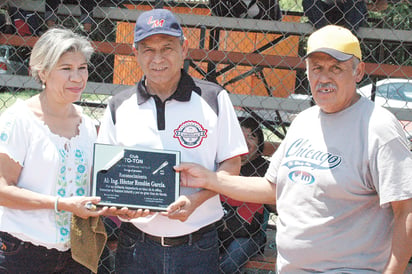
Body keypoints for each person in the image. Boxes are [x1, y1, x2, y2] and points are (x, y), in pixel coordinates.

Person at [176, 25, 412, 273]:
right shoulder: (305, 121)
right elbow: (273, 189)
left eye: (336, 68)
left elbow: (406, 210)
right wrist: (210, 179)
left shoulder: (378, 127)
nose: (324, 78)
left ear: (358, 71)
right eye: (317, 68)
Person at [96, 8, 248, 274]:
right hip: (135, 244)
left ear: (184, 48)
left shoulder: (214, 98)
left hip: (198, 244)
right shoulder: (119, 105)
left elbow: (231, 166)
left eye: (167, 48)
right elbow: (107, 175)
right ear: (135, 53)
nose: (158, 59)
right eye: (148, 50)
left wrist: (196, 201)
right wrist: (122, 210)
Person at [0, 28, 109, 272]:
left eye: (82, 68)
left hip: (75, 254)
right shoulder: (19, 120)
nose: (78, 77)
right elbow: (2, 190)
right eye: (66, 69)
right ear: (43, 72)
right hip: (21, 252)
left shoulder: (88, 126)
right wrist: (62, 203)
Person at [218, 117, 271, 273]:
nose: (245, 141)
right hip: (215, 229)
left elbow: (276, 205)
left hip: (248, 235)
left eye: (251, 137)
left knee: (232, 258)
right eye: (240, 136)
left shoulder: (265, 168)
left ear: (259, 143)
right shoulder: (220, 163)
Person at [302, 0, 368, 33]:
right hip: (324, 11)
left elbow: (376, 5)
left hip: (349, 10)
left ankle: (349, 37)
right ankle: (322, 33)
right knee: (308, 1)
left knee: (357, 3)